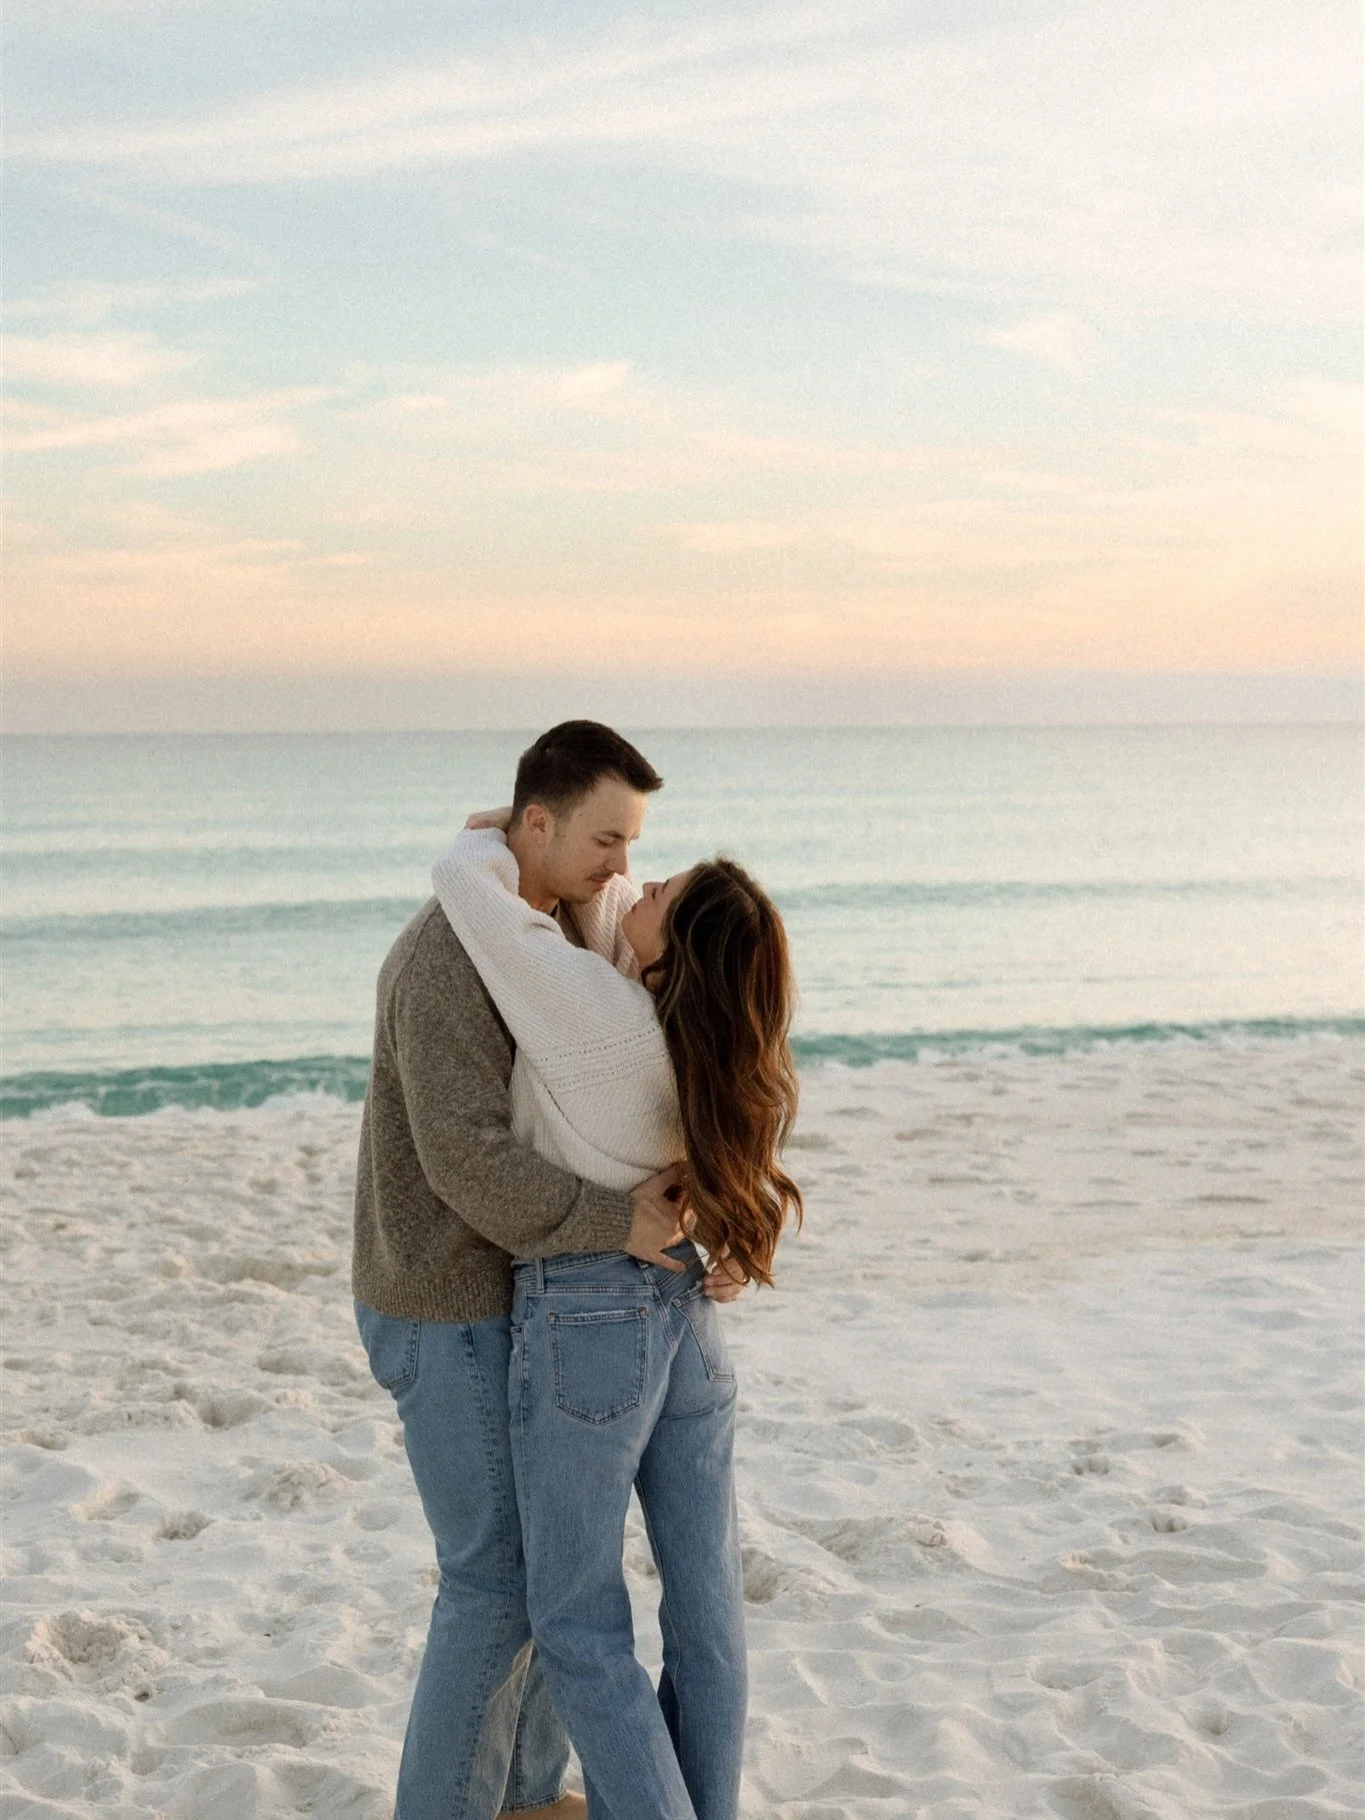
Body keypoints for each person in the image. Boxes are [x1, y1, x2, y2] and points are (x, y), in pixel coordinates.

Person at [352, 722, 737, 1820]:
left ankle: (524, 1797)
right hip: (442, 1296)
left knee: (551, 1575)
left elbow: (639, 1062)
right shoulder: (445, 959)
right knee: (492, 1586)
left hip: (523, 1286)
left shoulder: (559, 925)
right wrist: (619, 1219)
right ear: (537, 823)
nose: (623, 869)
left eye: (632, 845)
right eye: (607, 840)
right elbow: (466, 1162)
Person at [431, 788, 802, 1820]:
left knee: (578, 1623)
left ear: (674, 958)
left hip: (591, 1318)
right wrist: (600, 862)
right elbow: (615, 907)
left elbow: (475, 896)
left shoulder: (606, 1024)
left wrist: (502, 830)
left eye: (665, 889)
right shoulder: (714, 1056)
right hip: (691, 1319)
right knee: (707, 1611)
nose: (639, 880)